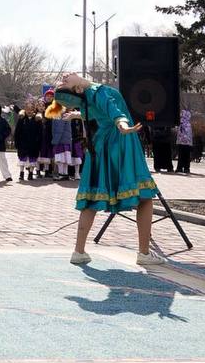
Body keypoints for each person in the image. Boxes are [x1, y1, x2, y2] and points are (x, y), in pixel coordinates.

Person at [52, 74, 161, 268]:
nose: (63, 78)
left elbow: (98, 112)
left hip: (101, 146)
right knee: (144, 197)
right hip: (121, 144)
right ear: (78, 89)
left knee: (92, 197)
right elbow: (114, 110)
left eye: (63, 82)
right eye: (65, 83)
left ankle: (79, 251)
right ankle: (144, 253)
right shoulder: (96, 90)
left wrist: (77, 115)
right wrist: (123, 125)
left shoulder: (88, 99)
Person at [13, 101, 42, 181]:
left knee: (32, 159)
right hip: (23, 144)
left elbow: (40, 133)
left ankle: (30, 174)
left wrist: (39, 143)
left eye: (31, 109)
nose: (29, 111)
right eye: (27, 109)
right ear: (25, 109)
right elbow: (17, 132)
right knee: (22, 159)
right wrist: (17, 143)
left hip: (33, 144)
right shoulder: (22, 119)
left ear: (34, 110)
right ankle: (21, 173)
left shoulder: (37, 120)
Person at [38, 86, 55, 176]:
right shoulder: (42, 106)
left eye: (51, 96)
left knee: (50, 151)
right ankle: (41, 169)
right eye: (47, 96)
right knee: (42, 150)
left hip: (51, 132)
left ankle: (49, 170)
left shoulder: (55, 107)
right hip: (42, 132)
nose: (49, 97)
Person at [176, 108, 193, 175]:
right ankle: (186, 168)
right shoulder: (188, 124)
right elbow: (190, 135)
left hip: (181, 143)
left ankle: (180, 168)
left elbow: (179, 133)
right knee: (187, 155)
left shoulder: (181, 123)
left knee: (181, 155)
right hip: (187, 143)